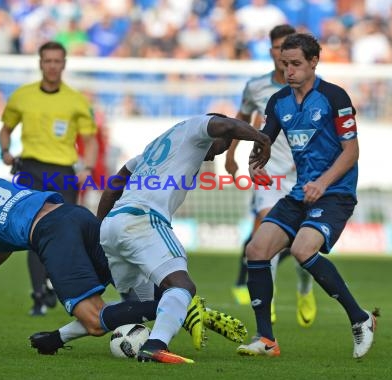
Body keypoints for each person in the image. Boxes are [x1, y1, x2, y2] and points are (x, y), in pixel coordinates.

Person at [0, 178, 246, 354]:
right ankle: (167, 304)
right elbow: (7, 228)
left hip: (53, 233)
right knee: (123, 297)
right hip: (77, 215)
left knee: (94, 319)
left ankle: (171, 304)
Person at [237, 33, 378, 359]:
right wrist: (255, 163)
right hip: (301, 192)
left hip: (335, 192)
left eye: (296, 64)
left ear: (314, 62)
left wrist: (324, 183)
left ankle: (360, 319)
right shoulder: (278, 102)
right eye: (285, 64)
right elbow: (264, 142)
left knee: (302, 249)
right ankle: (267, 339)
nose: (289, 70)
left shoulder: (333, 97)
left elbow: (351, 151)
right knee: (256, 249)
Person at [97, 113, 271, 363]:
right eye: (223, 145)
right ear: (216, 134)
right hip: (143, 219)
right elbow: (226, 123)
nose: (216, 155)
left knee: (149, 305)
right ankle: (155, 346)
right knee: (183, 286)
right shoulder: (196, 127)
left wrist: (99, 227)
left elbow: (115, 183)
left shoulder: (159, 144)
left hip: (114, 223)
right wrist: (261, 138)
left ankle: (59, 337)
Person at [224, 24, 316, 328]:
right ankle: (270, 300)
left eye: (287, 49)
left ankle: (305, 287)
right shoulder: (256, 87)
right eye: (277, 48)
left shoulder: (315, 88)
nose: (281, 55)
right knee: (266, 233)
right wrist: (230, 155)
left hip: (303, 175)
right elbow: (242, 119)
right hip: (269, 174)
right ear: (271, 50)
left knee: (303, 243)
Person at [0, 41, 99, 316]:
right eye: (48, 61)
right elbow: (5, 130)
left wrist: (87, 168)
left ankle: (56, 283)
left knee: (64, 232)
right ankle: (39, 294)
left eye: (57, 61)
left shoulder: (77, 100)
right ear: (40, 63)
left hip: (63, 173)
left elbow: (90, 141)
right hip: (30, 169)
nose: (52, 66)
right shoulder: (22, 96)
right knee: (33, 231)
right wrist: (5, 151)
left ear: (64, 64)